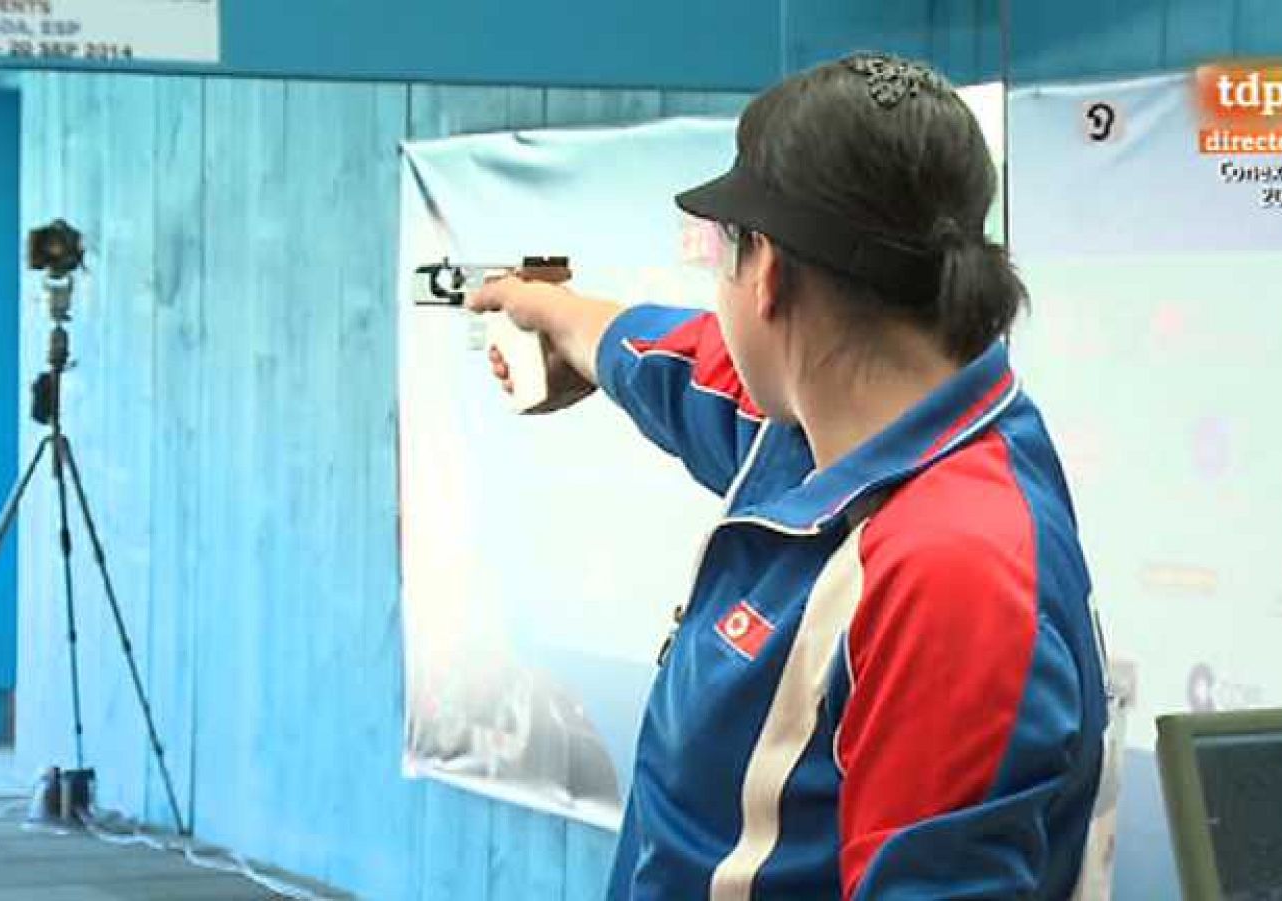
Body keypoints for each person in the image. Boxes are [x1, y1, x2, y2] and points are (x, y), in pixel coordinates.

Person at [470, 52, 1107, 900]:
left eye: (718, 254)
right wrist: (556, 314)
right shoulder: (843, 424)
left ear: (765, 269)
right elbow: (677, 364)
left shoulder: (950, 570)